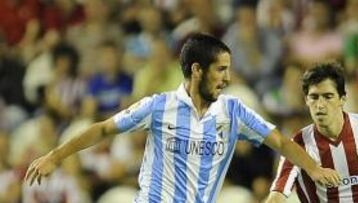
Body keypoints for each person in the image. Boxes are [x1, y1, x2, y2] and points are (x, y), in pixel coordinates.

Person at [25, 33, 340, 203]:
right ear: (197, 70)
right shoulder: (158, 107)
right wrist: (55, 156)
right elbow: (104, 129)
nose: (228, 78)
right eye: (221, 69)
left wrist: (313, 168)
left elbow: (281, 142)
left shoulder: (233, 111)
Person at [266, 62, 358, 203]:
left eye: (328, 96)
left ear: (342, 99)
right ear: (306, 101)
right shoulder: (298, 144)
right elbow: (276, 197)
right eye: (314, 97)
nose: (320, 105)